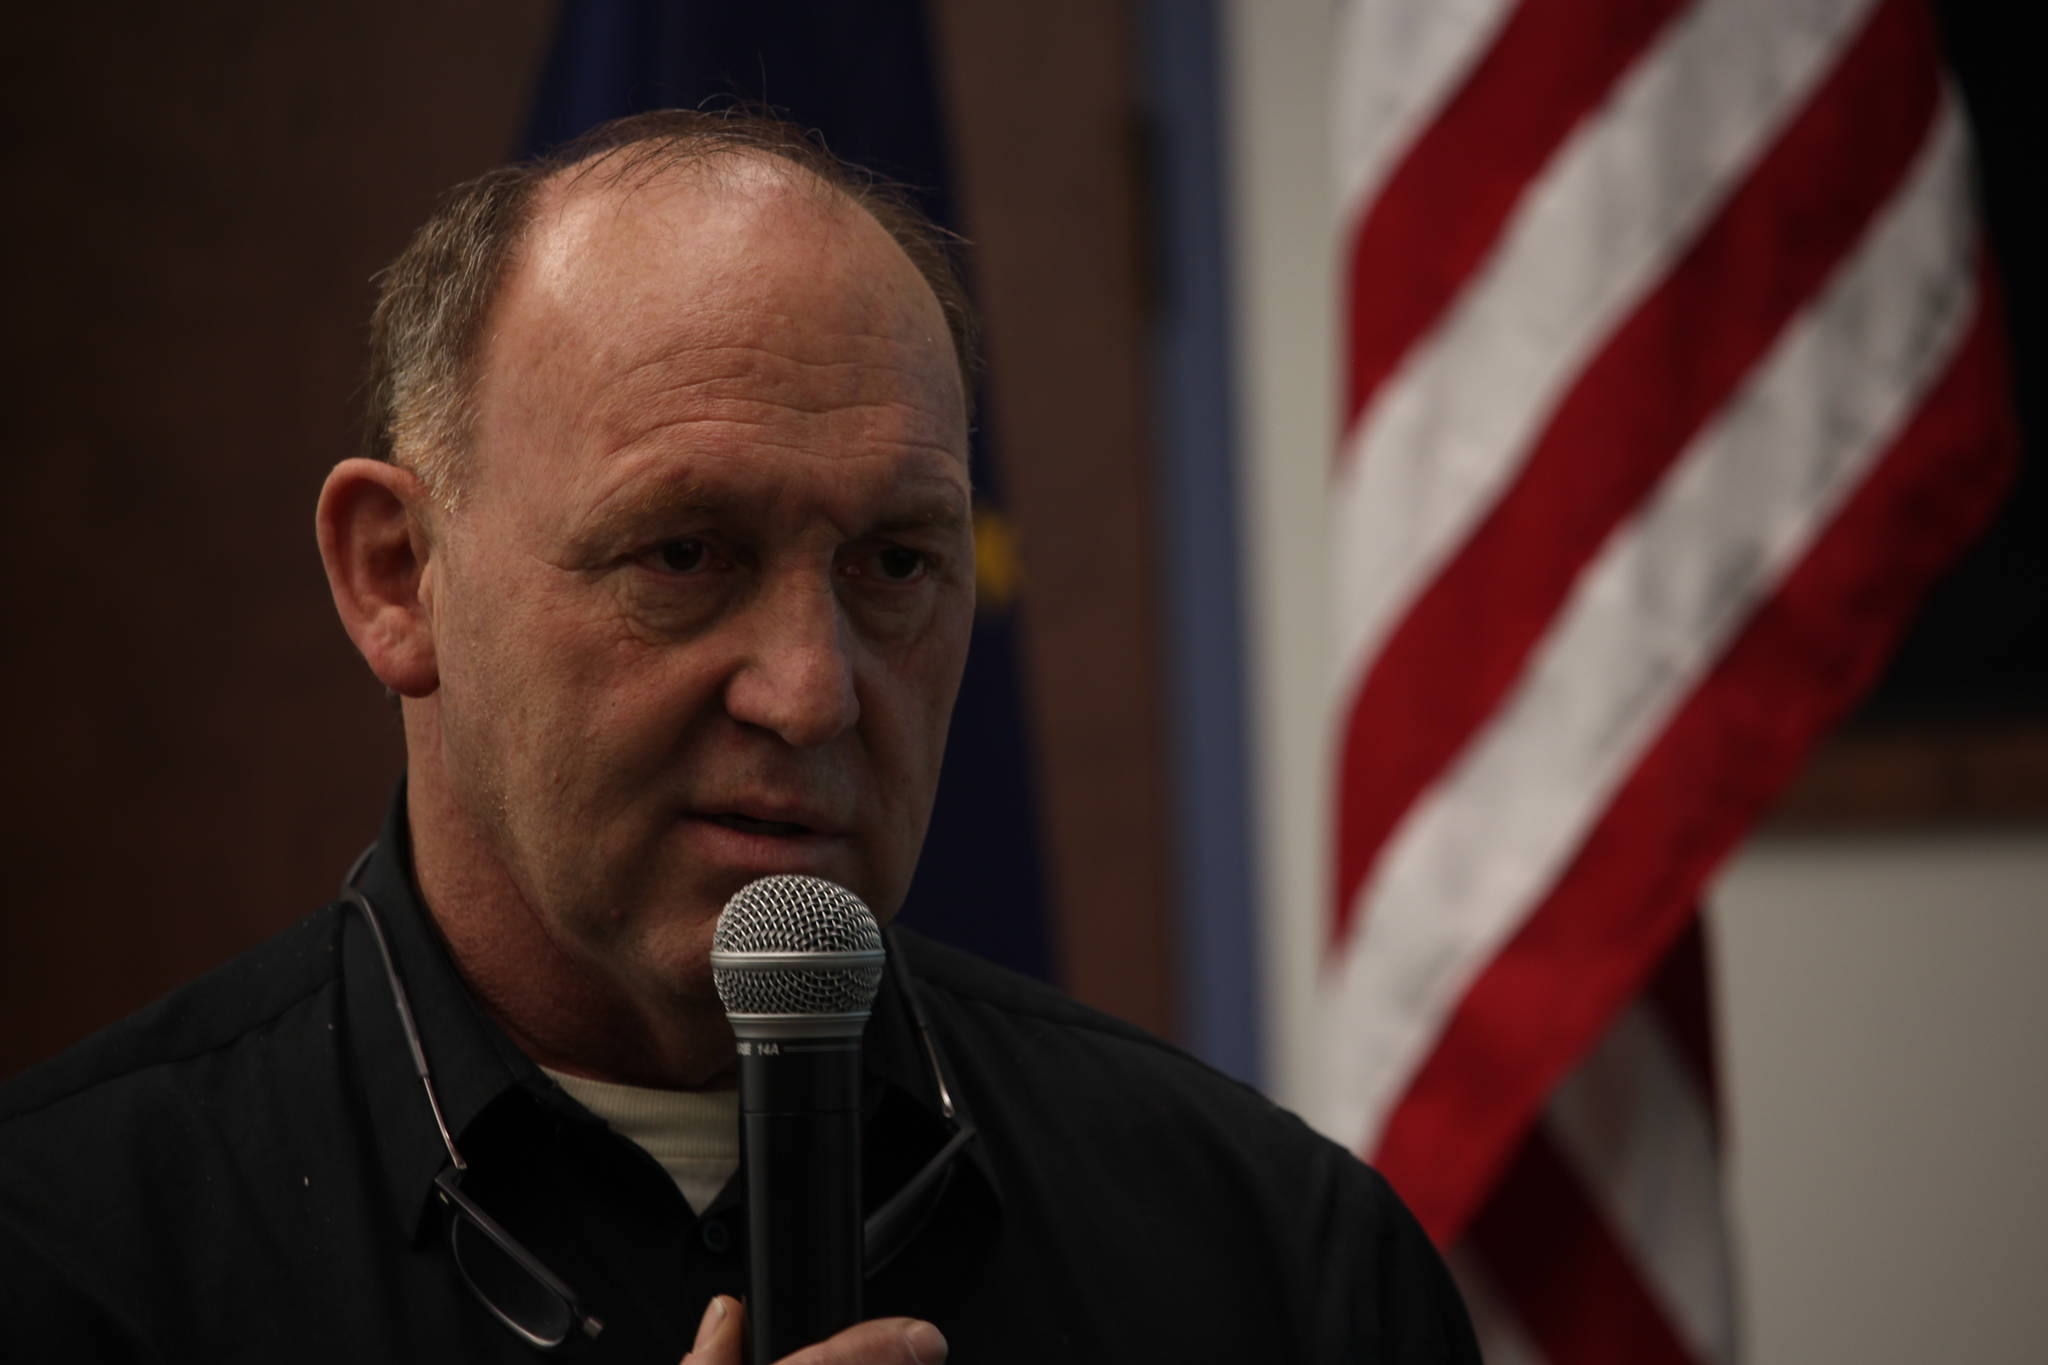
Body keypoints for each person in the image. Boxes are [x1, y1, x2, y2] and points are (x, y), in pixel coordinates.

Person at [0, 111, 1479, 1363]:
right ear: (399, 573)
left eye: (896, 563)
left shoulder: (1278, 1265)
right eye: (685, 553)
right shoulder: (70, 1253)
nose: (813, 693)